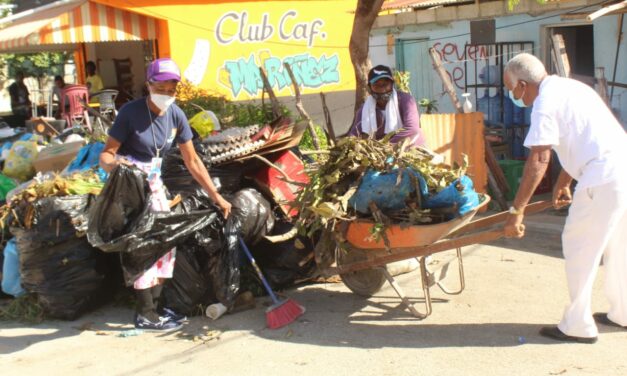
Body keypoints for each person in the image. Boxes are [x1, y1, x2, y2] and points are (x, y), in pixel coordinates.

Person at [99, 58, 232, 332]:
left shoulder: (176, 116)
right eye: (161, 87)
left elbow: (193, 162)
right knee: (144, 246)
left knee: (164, 245)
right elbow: (107, 153)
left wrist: (217, 197)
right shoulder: (130, 113)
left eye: (172, 89)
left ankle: (156, 310)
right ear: (148, 85)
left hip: (156, 185)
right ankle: (145, 313)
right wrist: (113, 164)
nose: (167, 93)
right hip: (132, 187)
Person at [502, 53, 627, 344]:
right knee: (620, 247)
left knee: (580, 246)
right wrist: (563, 182)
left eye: (512, 90)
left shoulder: (545, 104)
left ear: (523, 84)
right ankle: (623, 313)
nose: (513, 96)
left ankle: (577, 325)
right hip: (621, 168)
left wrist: (516, 210)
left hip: (604, 177)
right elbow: (582, 137)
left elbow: (539, 157)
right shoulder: (573, 88)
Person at [348, 65, 426, 147]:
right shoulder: (365, 110)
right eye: (377, 85)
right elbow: (354, 134)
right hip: (384, 154)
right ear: (369, 88)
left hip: (412, 147)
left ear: (392, 85)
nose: (382, 89)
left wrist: (386, 146)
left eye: (385, 84)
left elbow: (412, 128)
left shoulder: (405, 100)